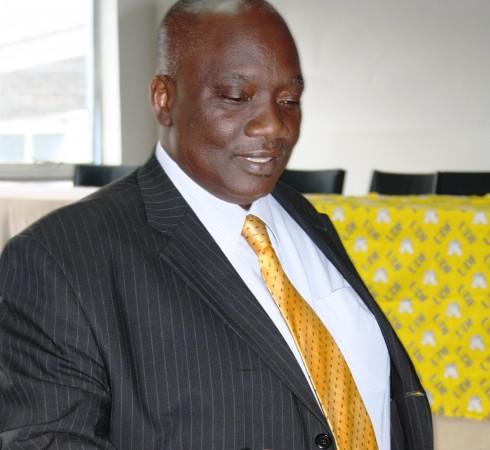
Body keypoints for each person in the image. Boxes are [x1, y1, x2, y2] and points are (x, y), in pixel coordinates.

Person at [0, 1, 433, 448]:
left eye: (289, 100)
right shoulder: (59, 261)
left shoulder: (302, 217)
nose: (275, 126)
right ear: (164, 99)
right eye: (236, 96)